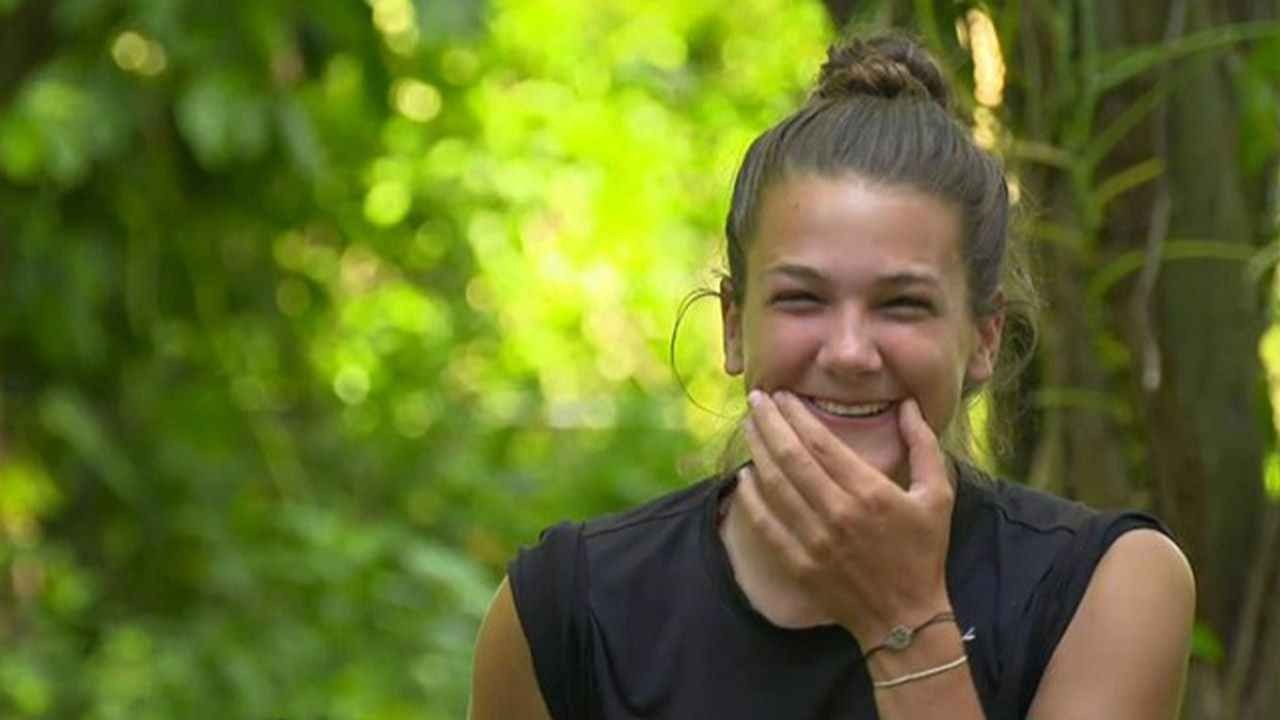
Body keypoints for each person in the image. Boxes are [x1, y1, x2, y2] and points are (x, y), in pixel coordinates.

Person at [469, 32, 1194, 720]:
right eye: (801, 298)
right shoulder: (568, 609)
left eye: (903, 304)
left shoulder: (1106, 585)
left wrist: (903, 618)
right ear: (733, 325)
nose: (849, 353)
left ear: (983, 337)